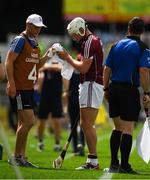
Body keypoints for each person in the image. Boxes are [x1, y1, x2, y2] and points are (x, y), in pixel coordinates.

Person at [103, 17, 150, 174]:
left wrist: (106, 89)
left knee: (117, 128)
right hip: (129, 90)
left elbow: (106, 69)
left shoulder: (115, 45)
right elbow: (144, 71)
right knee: (128, 129)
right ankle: (124, 165)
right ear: (142, 31)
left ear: (128, 29)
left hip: (113, 89)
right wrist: (146, 92)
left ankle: (113, 164)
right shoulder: (143, 47)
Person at [56, 17, 104, 170]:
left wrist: (67, 58)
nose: (75, 38)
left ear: (82, 29)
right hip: (89, 84)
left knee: (87, 124)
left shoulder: (90, 42)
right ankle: (92, 160)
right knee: (85, 124)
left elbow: (83, 68)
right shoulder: (89, 41)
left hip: (91, 84)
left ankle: (93, 161)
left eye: (76, 34)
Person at [5, 14, 51, 167]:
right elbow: (9, 61)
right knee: (30, 121)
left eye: (40, 27)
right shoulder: (20, 40)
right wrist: (11, 83)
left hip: (29, 89)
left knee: (22, 122)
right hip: (20, 88)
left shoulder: (35, 43)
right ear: (28, 25)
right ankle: (16, 157)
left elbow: (37, 65)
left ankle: (21, 157)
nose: (38, 29)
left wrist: (49, 54)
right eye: (36, 26)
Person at [36, 60, 64, 152]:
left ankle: (57, 143)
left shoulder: (59, 69)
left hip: (56, 98)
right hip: (45, 98)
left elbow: (61, 67)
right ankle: (40, 142)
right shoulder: (45, 70)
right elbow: (40, 69)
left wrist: (49, 66)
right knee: (42, 120)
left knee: (57, 121)